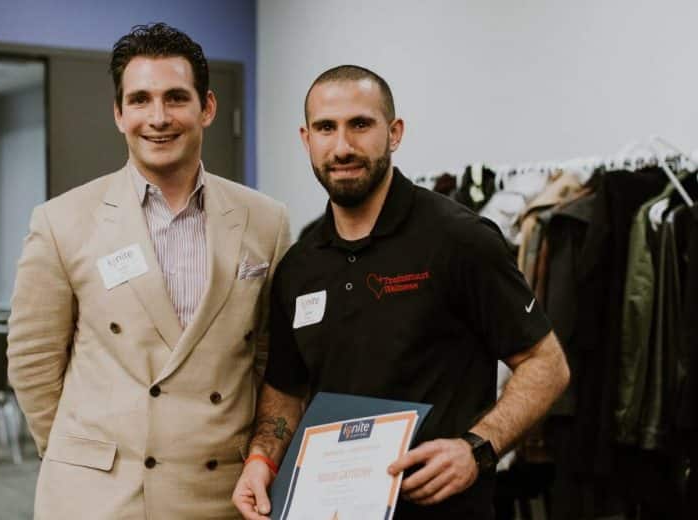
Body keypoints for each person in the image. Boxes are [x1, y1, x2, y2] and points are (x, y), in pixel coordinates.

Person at [232, 65, 570, 519]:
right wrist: (261, 460)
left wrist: (476, 449)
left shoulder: (460, 240)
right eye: (326, 128)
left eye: (361, 125)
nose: (343, 146)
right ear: (306, 138)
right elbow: (286, 391)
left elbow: (547, 365)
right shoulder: (299, 266)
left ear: (394, 133)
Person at [7, 23, 289, 519]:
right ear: (119, 114)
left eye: (176, 98)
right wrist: (82, 457)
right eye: (140, 100)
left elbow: (271, 356)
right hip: (101, 497)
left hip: (222, 491)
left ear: (207, 108)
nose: (158, 118)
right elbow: (33, 361)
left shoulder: (265, 220)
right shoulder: (63, 220)